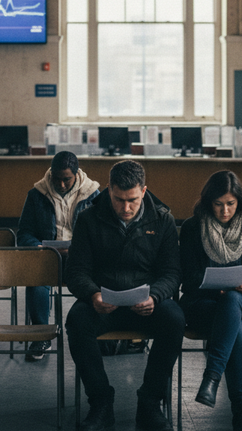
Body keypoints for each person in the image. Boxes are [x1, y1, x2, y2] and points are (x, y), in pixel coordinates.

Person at [65, 160, 184, 431]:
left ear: (144, 191)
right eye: (119, 199)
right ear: (109, 190)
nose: (126, 208)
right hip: (102, 303)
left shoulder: (162, 219)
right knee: (77, 321)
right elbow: (76, 271)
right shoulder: (88, 219)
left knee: (175, 320)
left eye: (132, 200)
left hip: (147, 303)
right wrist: (93, 294)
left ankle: (150, 403)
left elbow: (172, 273)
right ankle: (101, 403)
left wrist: (155, 296)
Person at [179, 170, 242, 431]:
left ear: (239, 201)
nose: (225, 211)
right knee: (235, 327)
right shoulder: (193, 227)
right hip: (203, 304)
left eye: (230, 204)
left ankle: (212, 377)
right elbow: (187, 277)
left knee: (232, 301)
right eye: (218, 204)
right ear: (209, 202)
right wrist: (215, 286)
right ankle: (241, 411)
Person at [17, 151, 100, 360]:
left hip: (81, 259)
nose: (61, 184)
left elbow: (102, 233)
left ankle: (98, 332)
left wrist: (82, 248)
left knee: (101, 279)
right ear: (51, 174)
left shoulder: (93, 194)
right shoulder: (37, 194)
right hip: (47, 257)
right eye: (57, 179)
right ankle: (41, 336)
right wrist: (37, 246)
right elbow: (24, 233)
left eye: (67, 179)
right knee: (36, 280)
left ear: (77, 174)